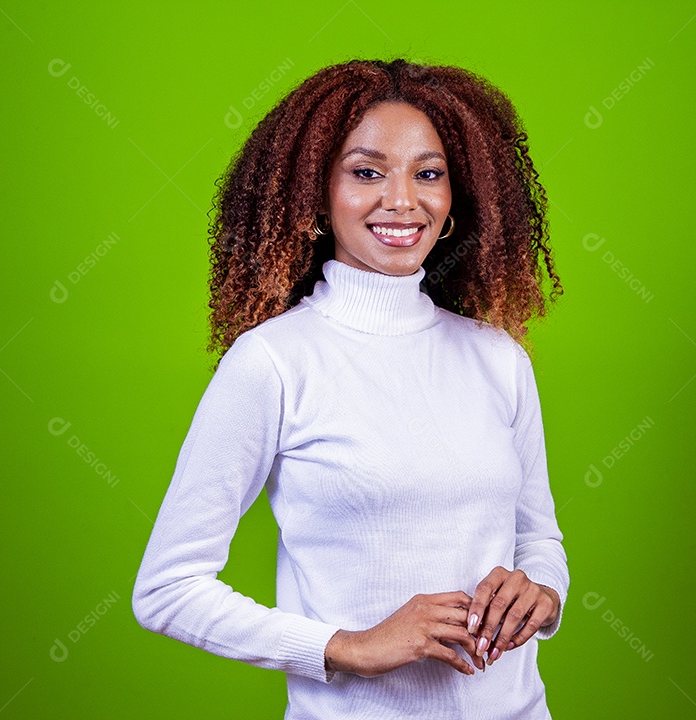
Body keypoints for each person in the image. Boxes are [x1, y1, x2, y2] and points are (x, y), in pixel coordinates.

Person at [132, 57, 568, 719]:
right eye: (367, 171)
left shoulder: (497, 358)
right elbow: (166, 589)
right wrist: (347, 646)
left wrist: (542, 590)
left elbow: (539, 541)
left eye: (429, 173)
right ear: (315, 192)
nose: (402, 199)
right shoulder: (273, 363)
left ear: (457, 197)